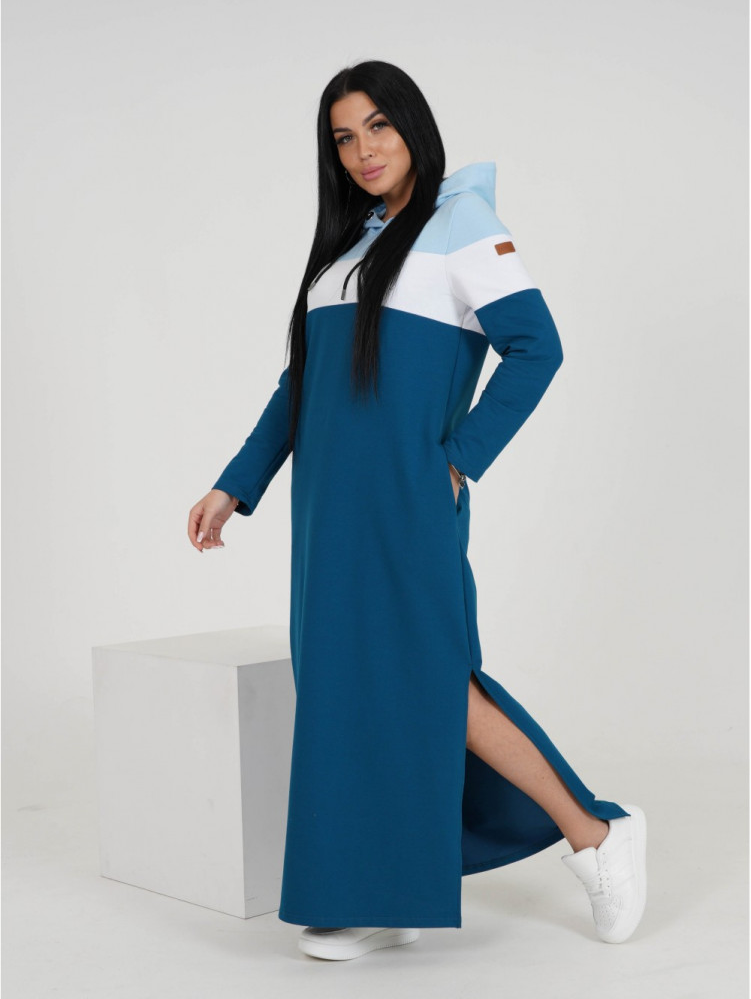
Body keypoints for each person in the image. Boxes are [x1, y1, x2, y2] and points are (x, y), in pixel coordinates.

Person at [187, 60, 647, 962]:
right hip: (328, 509)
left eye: (378, 127)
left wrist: (460, 460)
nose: (362, 150)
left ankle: (596, 834)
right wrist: (235, 483)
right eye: (343, 137)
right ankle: (380, 894)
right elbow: (301, 385)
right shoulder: (346, 249)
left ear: (411, 126)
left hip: (405, 499)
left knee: (432, 681)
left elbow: (536, 347)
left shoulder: (460, 223)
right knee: (345, 690)